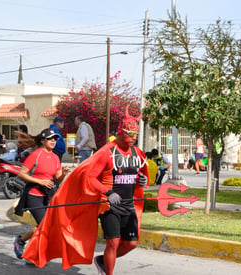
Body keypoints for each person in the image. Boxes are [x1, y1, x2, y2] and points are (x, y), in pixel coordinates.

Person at [21, 106, 148, 275]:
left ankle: (103, 261)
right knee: (113, 242)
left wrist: (143, 180)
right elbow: (90, 178)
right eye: (129, 133)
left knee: (131, 244)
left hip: (128, 204)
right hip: (108, 206)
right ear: (119, 131)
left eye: (135, 134)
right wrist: (108, 193)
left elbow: (139, 175)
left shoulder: (137, 153)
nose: (133, 138)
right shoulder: (107, 153)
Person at [13, 128, 69, 259]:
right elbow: (21, 173)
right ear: (43, 140)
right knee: (44, 224)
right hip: (34, 196)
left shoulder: (55, 157)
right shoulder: (36, 154)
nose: (53, 141)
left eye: (55, 138)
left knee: (46, 226)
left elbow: (57, 178)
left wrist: (64, 174)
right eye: (50, 139)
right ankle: (21, 241)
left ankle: (28, 246)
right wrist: (40, 181)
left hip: (48, 196)